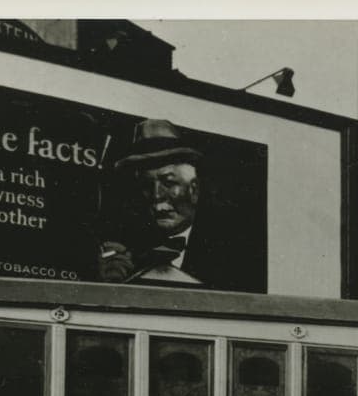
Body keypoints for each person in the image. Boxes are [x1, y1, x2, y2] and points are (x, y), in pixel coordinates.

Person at [98, 119, 259, 291]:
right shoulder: (129, 249)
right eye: (146, 186)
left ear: (194, 189)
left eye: (168, 182)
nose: (156, 195)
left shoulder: (235, 250)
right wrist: (110, 284)